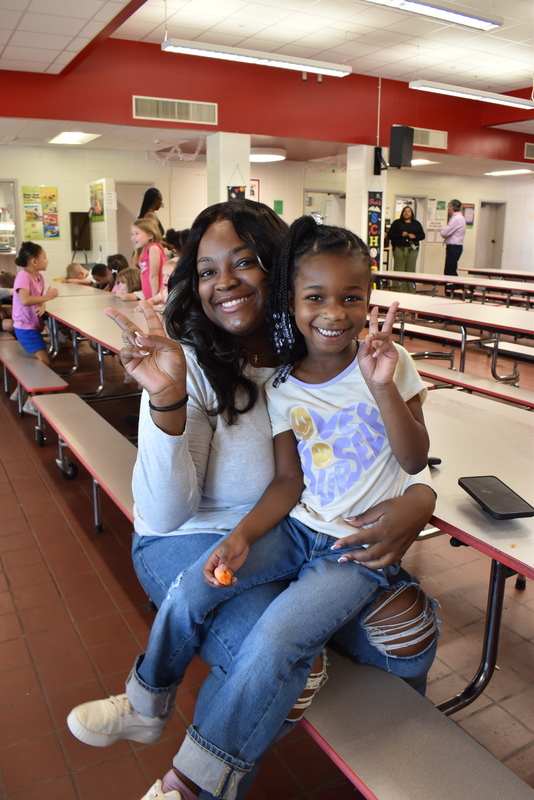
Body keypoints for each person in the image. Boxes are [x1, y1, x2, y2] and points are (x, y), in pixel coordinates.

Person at [66, 200, 438, 800]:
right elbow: (164, 513)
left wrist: (420, 499)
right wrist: (165, 399)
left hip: (301, 532)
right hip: (191, 535)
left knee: (409, 628)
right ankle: (190, 773)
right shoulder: (182, 360)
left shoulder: (329, 364)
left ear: (279, 269)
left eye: (243, 262)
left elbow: (400, 451)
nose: (224, 283)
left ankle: (413, 760)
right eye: (207, 270)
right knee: (291, 659)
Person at [11, 242, 59, 414]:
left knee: (40, 361)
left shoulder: (39, 277)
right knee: (44, 361)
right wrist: (49, 296)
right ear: (34, 261)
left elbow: (37, 298)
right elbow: (24, 300)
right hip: (25, 326)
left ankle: (21, 391)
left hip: (32, 325)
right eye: (44, 257)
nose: (47, 260)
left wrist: (44, 303)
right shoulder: (24, 276)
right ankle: (32, 400)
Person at [387, 206, 425, 292]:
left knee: (410, 269)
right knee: (399, 269)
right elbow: (390, 235)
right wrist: (401, 234)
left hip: (412, 249)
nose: (406, 213)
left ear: (411, 213)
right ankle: (398, 289)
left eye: (409, 211)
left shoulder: (416, 224)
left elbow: (422, 235)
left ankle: (410, 290)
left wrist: (415, 236)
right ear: (402, 213)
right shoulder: (397, 223)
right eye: (405, 211)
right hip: (399, 248)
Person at [132, 217, 166, 299]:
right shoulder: (144, 251)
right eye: (132, 234)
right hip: (148, 296)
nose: (133, 237)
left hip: (155, 295)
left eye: (137, 233)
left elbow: (154, 276)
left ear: (150, 235)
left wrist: (154, 299)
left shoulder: (153, 248)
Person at [440, 199, 466, 279]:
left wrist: (446, 234)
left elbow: (444, 233)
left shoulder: (456, 218)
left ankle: (452, 288)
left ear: (451, 207)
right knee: (451, 269)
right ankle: (452, 288)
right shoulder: (460, 217)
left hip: (453, 247)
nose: (448, 209)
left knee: (450, 271)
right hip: (456, 247)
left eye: (448, 207)